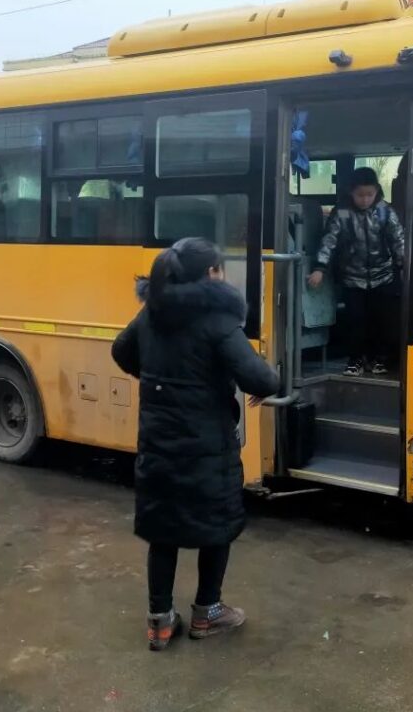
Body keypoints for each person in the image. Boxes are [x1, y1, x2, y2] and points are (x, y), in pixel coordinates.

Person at [112, 237, 279, 651]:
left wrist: (158, 376)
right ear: (211, 274)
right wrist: (272, 380)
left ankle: (160, 621)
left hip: (158, 441)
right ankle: (208, 612)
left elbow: (122, 351)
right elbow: (258, 379)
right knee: (215, 528)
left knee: (163, 531)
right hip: (207, 445)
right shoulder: (216, 319)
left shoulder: (152, 313)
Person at [307, 167, 405, 376]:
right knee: (355, 321)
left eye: (370, 194)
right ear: (351, 192)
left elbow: (398, 242)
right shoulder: (341, 212)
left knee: (383, 321)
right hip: (352, 277)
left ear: (377, 191)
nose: (365, 199)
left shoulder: (386, 211)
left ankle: (379, 358)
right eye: (360, 195)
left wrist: (404, 266)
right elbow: (329, 242)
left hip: (383, 275)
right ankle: (355, 360)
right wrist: (320, 268)